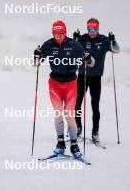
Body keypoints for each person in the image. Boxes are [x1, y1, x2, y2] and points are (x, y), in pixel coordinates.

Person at [34, 20, 94, 158]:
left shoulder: (74, 44)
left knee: (69, 114)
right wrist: (36, 55)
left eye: (61, 34)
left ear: (65, 33)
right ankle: (60, 143)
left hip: (71, 84)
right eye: (56, 34)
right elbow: (37, 63)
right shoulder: (48, 44)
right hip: (54, 84)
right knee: (58, 113)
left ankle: (74, 145)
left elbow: (90, 63)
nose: (58, 36)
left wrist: (88, 58)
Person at [73, 18, 120, 143]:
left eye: (94, 29)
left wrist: (113, 40)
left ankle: (95, 132)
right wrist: (75, 39)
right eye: (89, 29)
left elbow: (117, 50)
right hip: (82, 76)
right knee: (77, 104)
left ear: (98, 29)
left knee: (95, 105)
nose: (91, 32)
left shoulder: (104, 40)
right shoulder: (83, 39)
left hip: (96, 78)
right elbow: (71, 48)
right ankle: (78, 127)